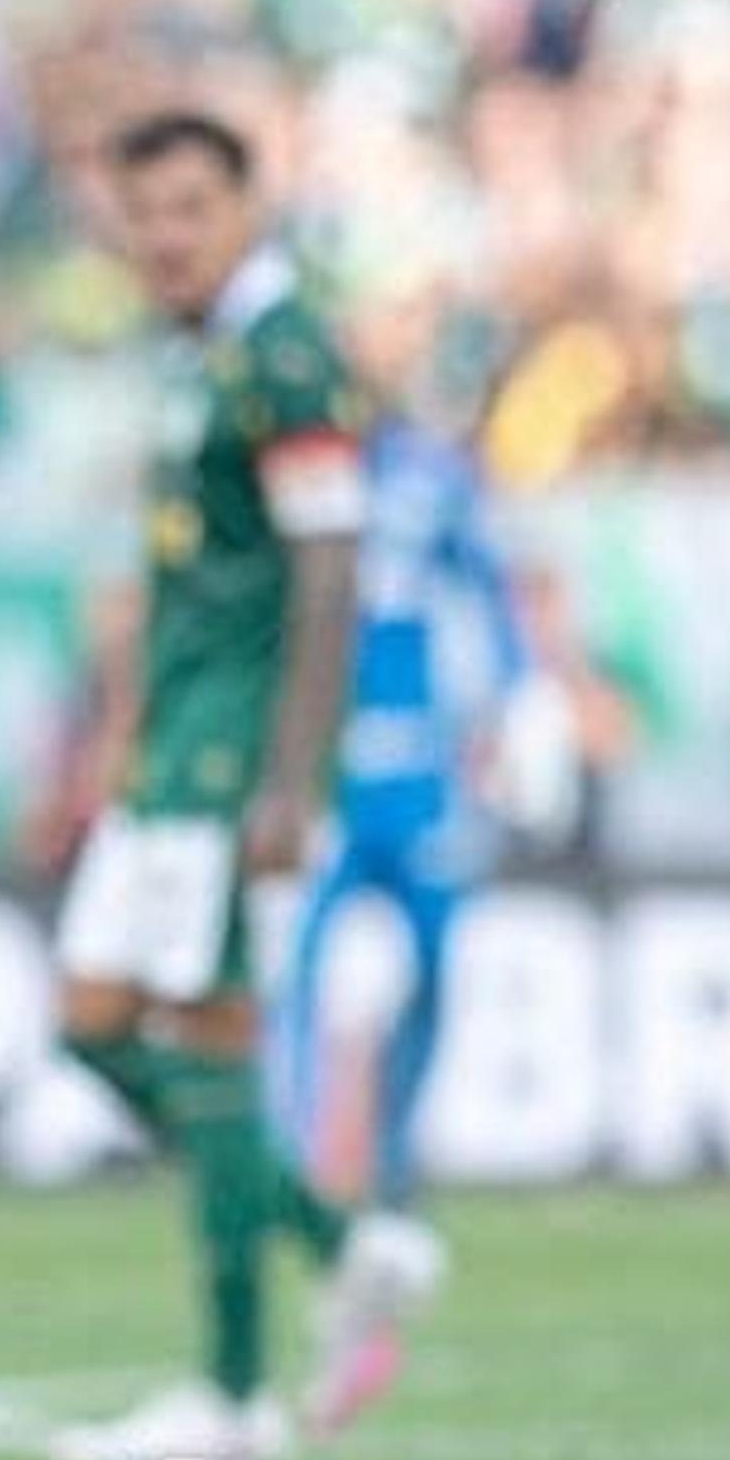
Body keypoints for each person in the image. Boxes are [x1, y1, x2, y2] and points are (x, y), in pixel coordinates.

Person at [40, 109, 447, 1460]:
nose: (165, 237)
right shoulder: (201, 352)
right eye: (143, 213)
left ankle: (227, 1395)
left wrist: (292, 783)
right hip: (169, 759)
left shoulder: (283, 357)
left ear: (247, 211)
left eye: (190, 210)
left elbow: (332, 572)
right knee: (95, 1024)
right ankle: (347, 1245)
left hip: (239, 766)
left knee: (207, 1045)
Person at [270, 409, 528, 1281]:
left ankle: (396, 1161)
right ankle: (293, 1165)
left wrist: (514, 704)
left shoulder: (432, 474)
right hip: (322, 765)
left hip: (417, 767)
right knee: (292, 966)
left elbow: (491, 591)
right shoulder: (289, 462)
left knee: (433, 967)